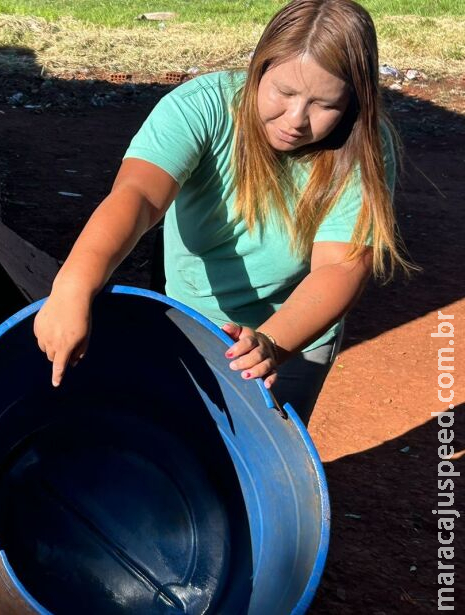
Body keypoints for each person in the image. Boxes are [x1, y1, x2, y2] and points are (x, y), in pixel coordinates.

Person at [32, 0, 414, 424]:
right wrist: (73, 284)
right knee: (176, 438)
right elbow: (138, 194)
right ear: (259, 68)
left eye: (325, 105)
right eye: (284, 93)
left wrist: (272, 343)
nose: (296, 120)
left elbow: (341, 267)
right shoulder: (202, 107)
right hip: (186, 319)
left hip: (292, 338)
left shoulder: (363, 144)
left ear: (354, 103)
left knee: (256, 463)